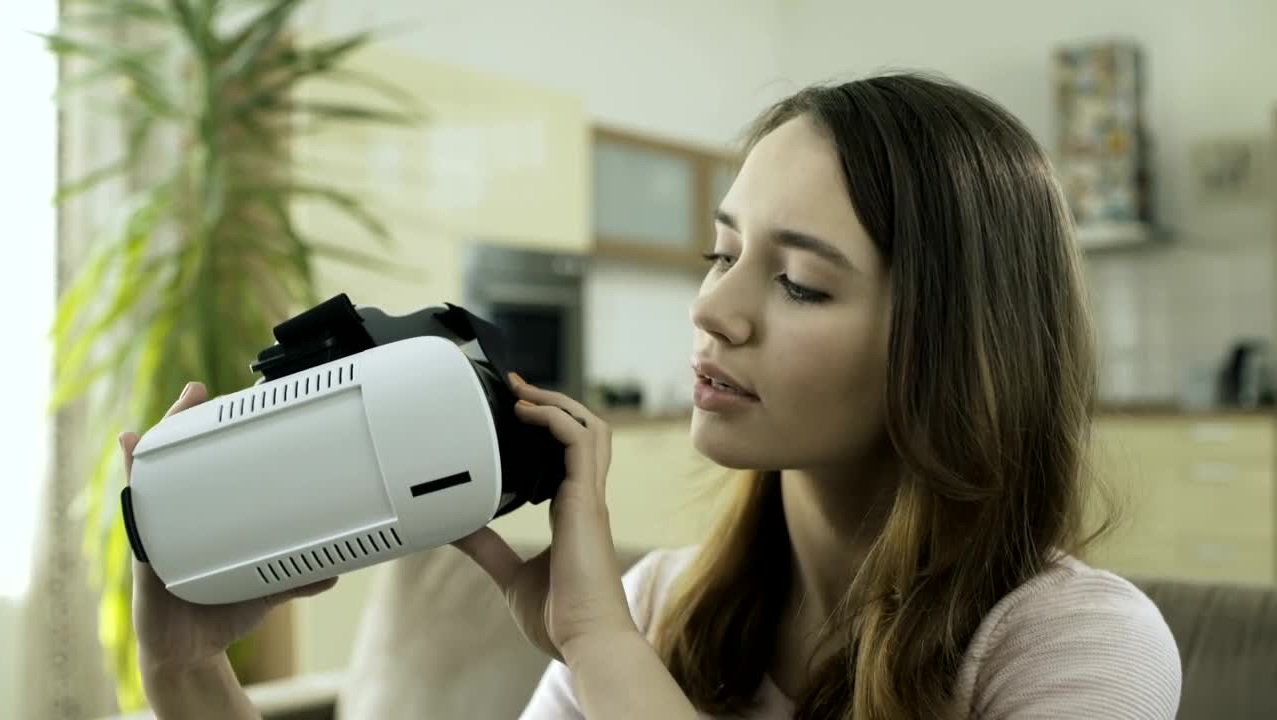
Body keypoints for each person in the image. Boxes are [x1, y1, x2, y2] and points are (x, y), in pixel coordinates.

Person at [122, 73, 1181, 720]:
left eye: (798, 282)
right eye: (721, 254)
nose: (713, 308)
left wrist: (598, 647)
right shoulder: (657, 608)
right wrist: (185, 673)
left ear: (952, 341)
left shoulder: (1076, 647)